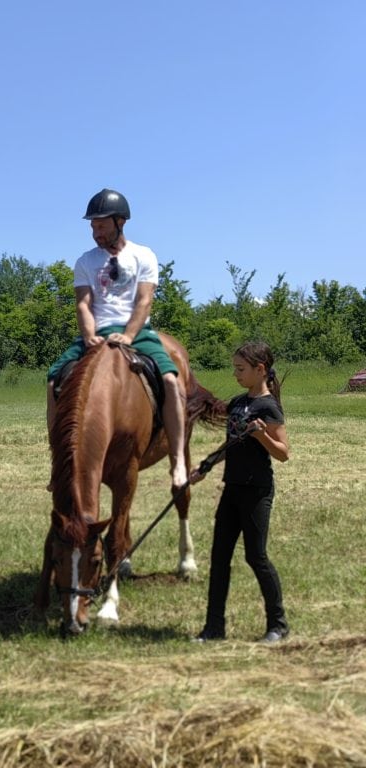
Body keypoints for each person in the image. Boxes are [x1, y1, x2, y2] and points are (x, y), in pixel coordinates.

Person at [46, 188, 188, 489]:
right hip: (96, 333)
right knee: (52, 379)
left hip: (137, 331)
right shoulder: (85, 261)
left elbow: (144, 302)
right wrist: (88, 336)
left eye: (101, 225)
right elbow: (83, 304)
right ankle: (59, 461)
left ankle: (177, 460)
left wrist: (129, 335)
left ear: (120, 222)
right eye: (92, 226)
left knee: (172, 381)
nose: (95, 232)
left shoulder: (144, 255)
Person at [191, 341, 290, 643]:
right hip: (232, 488)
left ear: (260, 370)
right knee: (219, 557)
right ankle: (213, 629)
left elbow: (283, 453)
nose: (236, 374)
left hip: (256, 491)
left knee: (255, 557)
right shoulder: (237, 403)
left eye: (240, 369)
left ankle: (278, 624)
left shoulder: (269, 406)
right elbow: (231, 443)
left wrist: (261, 435)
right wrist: (206, 465)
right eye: (235, 368)